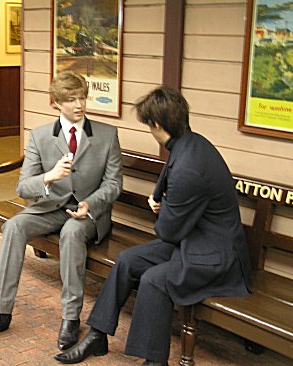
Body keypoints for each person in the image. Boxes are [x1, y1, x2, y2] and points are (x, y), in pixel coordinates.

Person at [54, 87, 252, 365]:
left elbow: (168, 231)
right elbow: (169, 183)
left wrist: (162, 206)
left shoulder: (191, 165)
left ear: (156, 125)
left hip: (215, 255)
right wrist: (162, 200)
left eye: (148, 125)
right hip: (192, 242)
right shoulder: (190, 143)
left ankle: (155, 361)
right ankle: (97, 336)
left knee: (154, 280)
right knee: (126, 260)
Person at [0, 71, 123, 351]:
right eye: (71, 100)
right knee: (15, 226)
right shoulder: (40, 137)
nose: (79, 105)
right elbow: (24, 187)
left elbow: (114, 184)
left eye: (82, 98)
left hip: (88, 213)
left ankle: (70, 317)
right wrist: (49, 177)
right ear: (55, 103)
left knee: (72, 234)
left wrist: (91, 204)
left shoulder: (106, 134)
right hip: (51, 207)